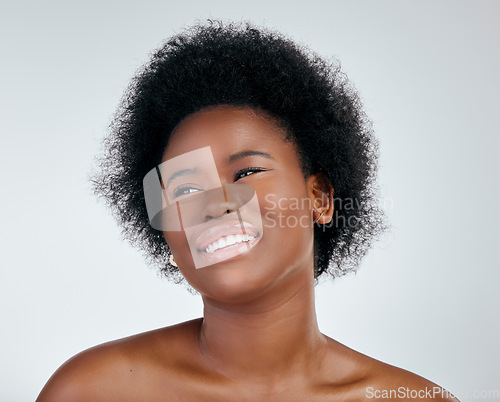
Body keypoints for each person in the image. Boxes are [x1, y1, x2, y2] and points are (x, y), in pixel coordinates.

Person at [37, 21, 458, 401]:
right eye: (184, 188)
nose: (214, 204)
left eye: (247, 172)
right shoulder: (91, 391)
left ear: (321, 198)